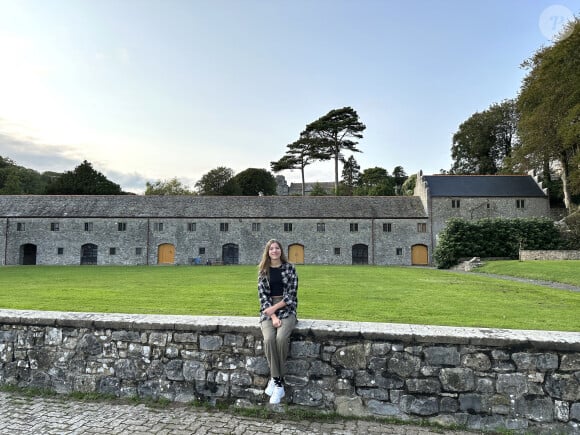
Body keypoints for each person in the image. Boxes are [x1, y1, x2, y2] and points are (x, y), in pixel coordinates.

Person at [257, 239, 298, 405]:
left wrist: (276, 309)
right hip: (268, 311)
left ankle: (276, 381)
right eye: (271, 249)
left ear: (281, 251)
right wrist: (273, 316)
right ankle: (278, 381)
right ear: (267, 252)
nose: (274, 251)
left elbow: (291, 294)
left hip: (287, 309)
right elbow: (263, 298)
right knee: (269, 339)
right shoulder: (263, 271)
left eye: (277, 248)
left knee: (281, 338)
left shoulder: (289, 268)